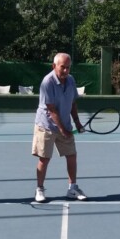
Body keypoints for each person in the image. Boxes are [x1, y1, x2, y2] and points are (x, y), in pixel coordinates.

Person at [32, 53, 87, 203]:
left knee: (72, 156)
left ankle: (72, 188)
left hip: (65, 125)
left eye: (68, 68)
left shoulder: (70, 80)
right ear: (54, 66)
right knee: (44, 158)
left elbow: (72, 103)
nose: (65, 71)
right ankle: (40, 189)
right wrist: (63, 129)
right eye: (63, 67)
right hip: (46, 126)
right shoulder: (47, 82)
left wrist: (77, 122)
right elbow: (51, 109)